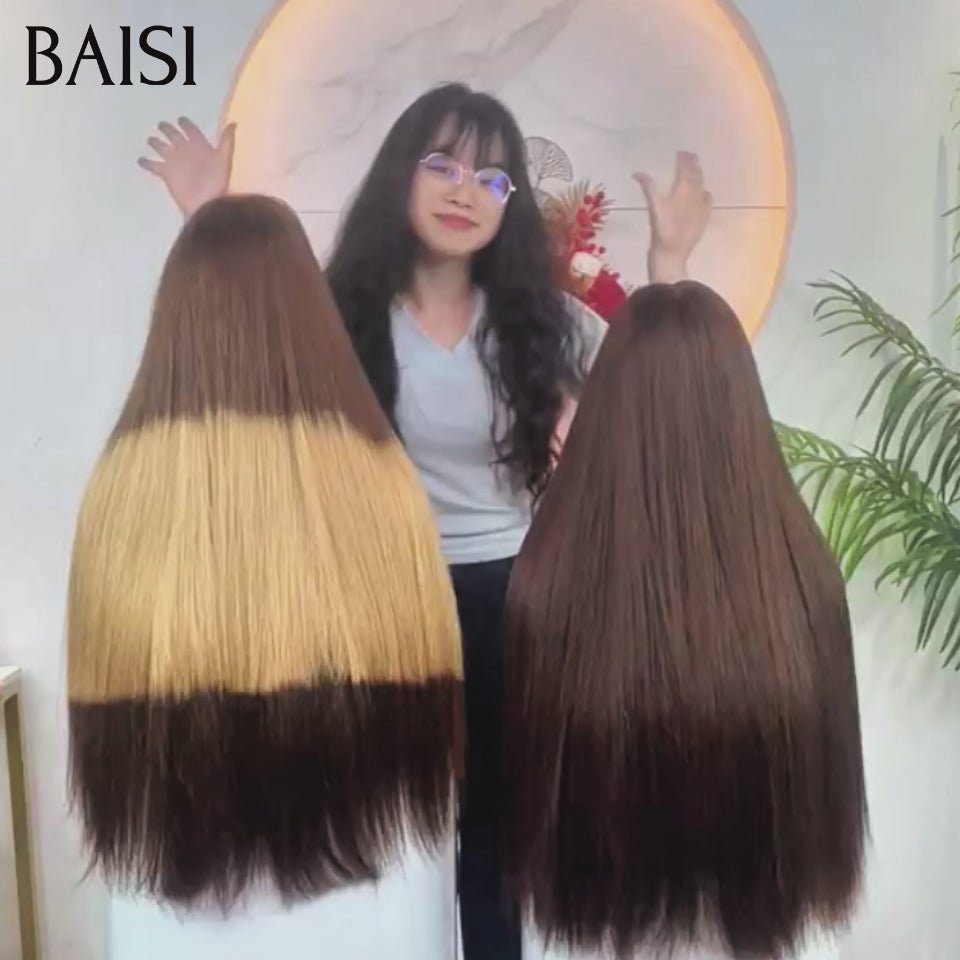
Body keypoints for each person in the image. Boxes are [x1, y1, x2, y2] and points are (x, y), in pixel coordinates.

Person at [138, 82, 712, 960]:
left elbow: (658, 410)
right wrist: (208, 217)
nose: (464, 190)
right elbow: (240, 357)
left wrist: (670, 263)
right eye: (443, 163)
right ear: (400, 173)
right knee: (383, 836)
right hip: (371, 602)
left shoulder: (551, 323)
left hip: (517, 608)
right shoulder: (330, 313)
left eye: (491, 177)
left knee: (497, 836)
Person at [503, 282, 866, 960]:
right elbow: (827, 811)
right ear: (740, 411)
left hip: (601, 939)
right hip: (770, 938)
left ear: (606, 414)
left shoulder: (547, 586)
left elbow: (539, 826)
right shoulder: (806, 581)